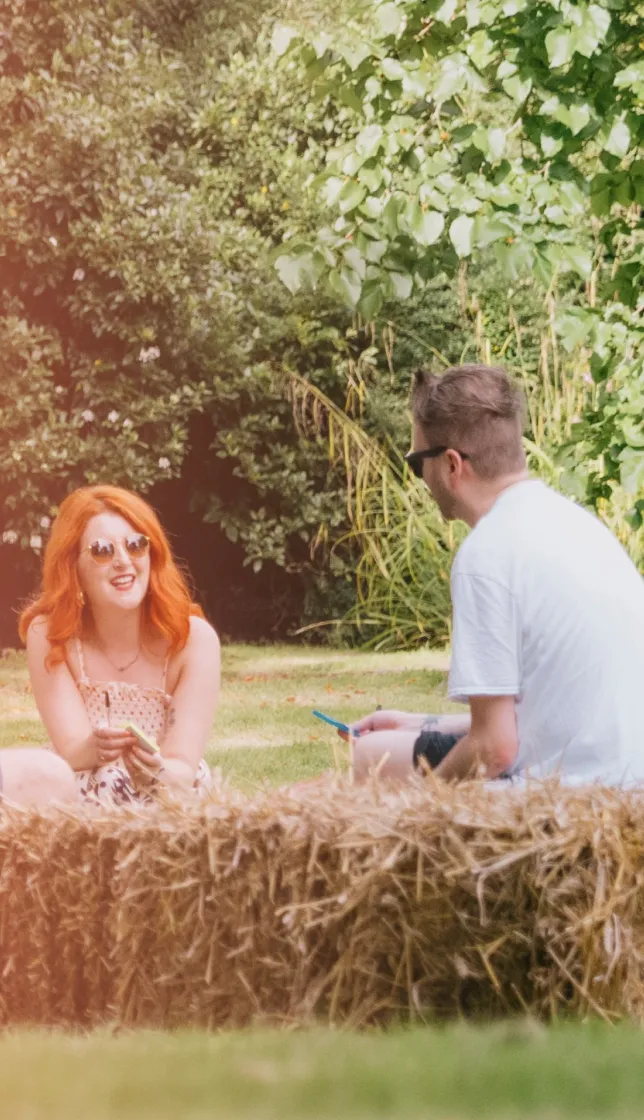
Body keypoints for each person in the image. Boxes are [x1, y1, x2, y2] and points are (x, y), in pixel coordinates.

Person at [351, 364, 644, 788]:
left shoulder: (486, 555)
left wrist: (415, 810)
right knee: (380, 747)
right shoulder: (576, 525)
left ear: (451, 465)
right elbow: (533, 717)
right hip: (625, 780)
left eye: (417, 464)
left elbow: (494, 749)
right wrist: (417, 722)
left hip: (575, 796)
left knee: (371, 763)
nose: (420, 479)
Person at [20, 485, 221, 805]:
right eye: (102, 550)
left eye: (136, 545)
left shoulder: (194, 640)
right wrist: (96, 747)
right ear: (74, 568)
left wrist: (155, 769)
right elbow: (72, 751)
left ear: (152, 554)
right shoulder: (50, 634)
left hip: (167, 792)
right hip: (81, 791)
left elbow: (182, 768)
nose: (124, 561)